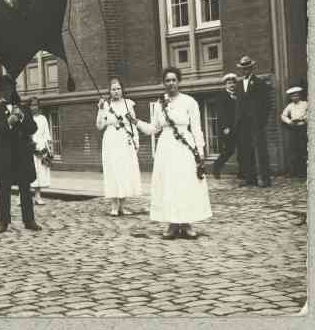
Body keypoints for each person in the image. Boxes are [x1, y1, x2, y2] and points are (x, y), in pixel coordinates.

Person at [130, 67, 212, 239]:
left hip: (185, 147)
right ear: (164, 83)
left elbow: (196, 129)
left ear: (179, 81)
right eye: (167, 80)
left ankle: (187, 223)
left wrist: (200, 152)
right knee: (169, 184)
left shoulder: (189, 102)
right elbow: (154, 128)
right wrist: (136, 122)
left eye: (174, 80)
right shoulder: (160, 104)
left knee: (185, 183)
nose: (171, 83)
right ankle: (172, 224)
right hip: (166, 148)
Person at [0, 74, 41, 233]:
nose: (5, 92)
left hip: (22, 155)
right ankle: (4, 221)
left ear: (13, 89)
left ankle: (29, 220)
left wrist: (22, 117)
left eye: (8, 89)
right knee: (4, 189)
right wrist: (8, 122)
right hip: (5, 156)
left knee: (26, 188)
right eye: (2, 90)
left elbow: (33, 128)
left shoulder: (24, 108)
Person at [96, 78, 141, 216]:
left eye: (118, 88)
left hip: (125, 139)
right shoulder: (106, 106)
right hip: (111, 140)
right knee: (113, 171)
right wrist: (100, 110)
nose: (116, 91)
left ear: (122, 90)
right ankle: (114, 206)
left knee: (125, 170)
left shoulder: (128, 104)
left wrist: (136, 140)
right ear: (109, 91)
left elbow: (133, 124)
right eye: (113, 89)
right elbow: (99, 126)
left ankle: (122, 205)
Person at [234, 55, 271, 187]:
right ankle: (250, 178)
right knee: (246, 150)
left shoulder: (260, 83)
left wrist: (262, 121)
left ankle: (265, 179)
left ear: (252, 68)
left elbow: (267, 104)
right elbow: (238, 104)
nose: (246, 70)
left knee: (260, 150)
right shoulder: (238, 84)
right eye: (243, 68)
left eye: (248, 68)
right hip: (243, 123)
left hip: (256, 122)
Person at [211, 73, 239, 179]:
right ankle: (216, 168)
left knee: (242, 149)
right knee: (228, 150)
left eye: (233, 83)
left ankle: (242, 173)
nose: (231, 85)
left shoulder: (238, 95)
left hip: (238, 127)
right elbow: (221, 113)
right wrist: (225, 127)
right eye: (229, 83)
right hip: (227, 128)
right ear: (225, 85)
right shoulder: (221, 96)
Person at [29, 97, 54, 205]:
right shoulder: (26, 118)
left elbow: (47, 134)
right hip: (29, 147)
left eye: (36, 105)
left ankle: (38, 195)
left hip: (41, 147)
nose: (34, 107)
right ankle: (23, 196)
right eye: (32, 105)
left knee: (39, 172)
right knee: (28, 172)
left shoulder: (43, 118)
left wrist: (49, 149)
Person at [281, 86, 308, 178]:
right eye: (293, 96)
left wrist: (304, 119)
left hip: (303, 129)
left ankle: (304, 172)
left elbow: (311, 113)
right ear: (290, 97)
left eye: (296, 95)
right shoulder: (290, 106)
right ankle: (295, 172)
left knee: (303, 150)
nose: (295, 97)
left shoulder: (305, 104)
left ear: (300, 95)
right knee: (294, 150)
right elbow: (283, 116)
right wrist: (290, 121)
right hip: (294, 129)